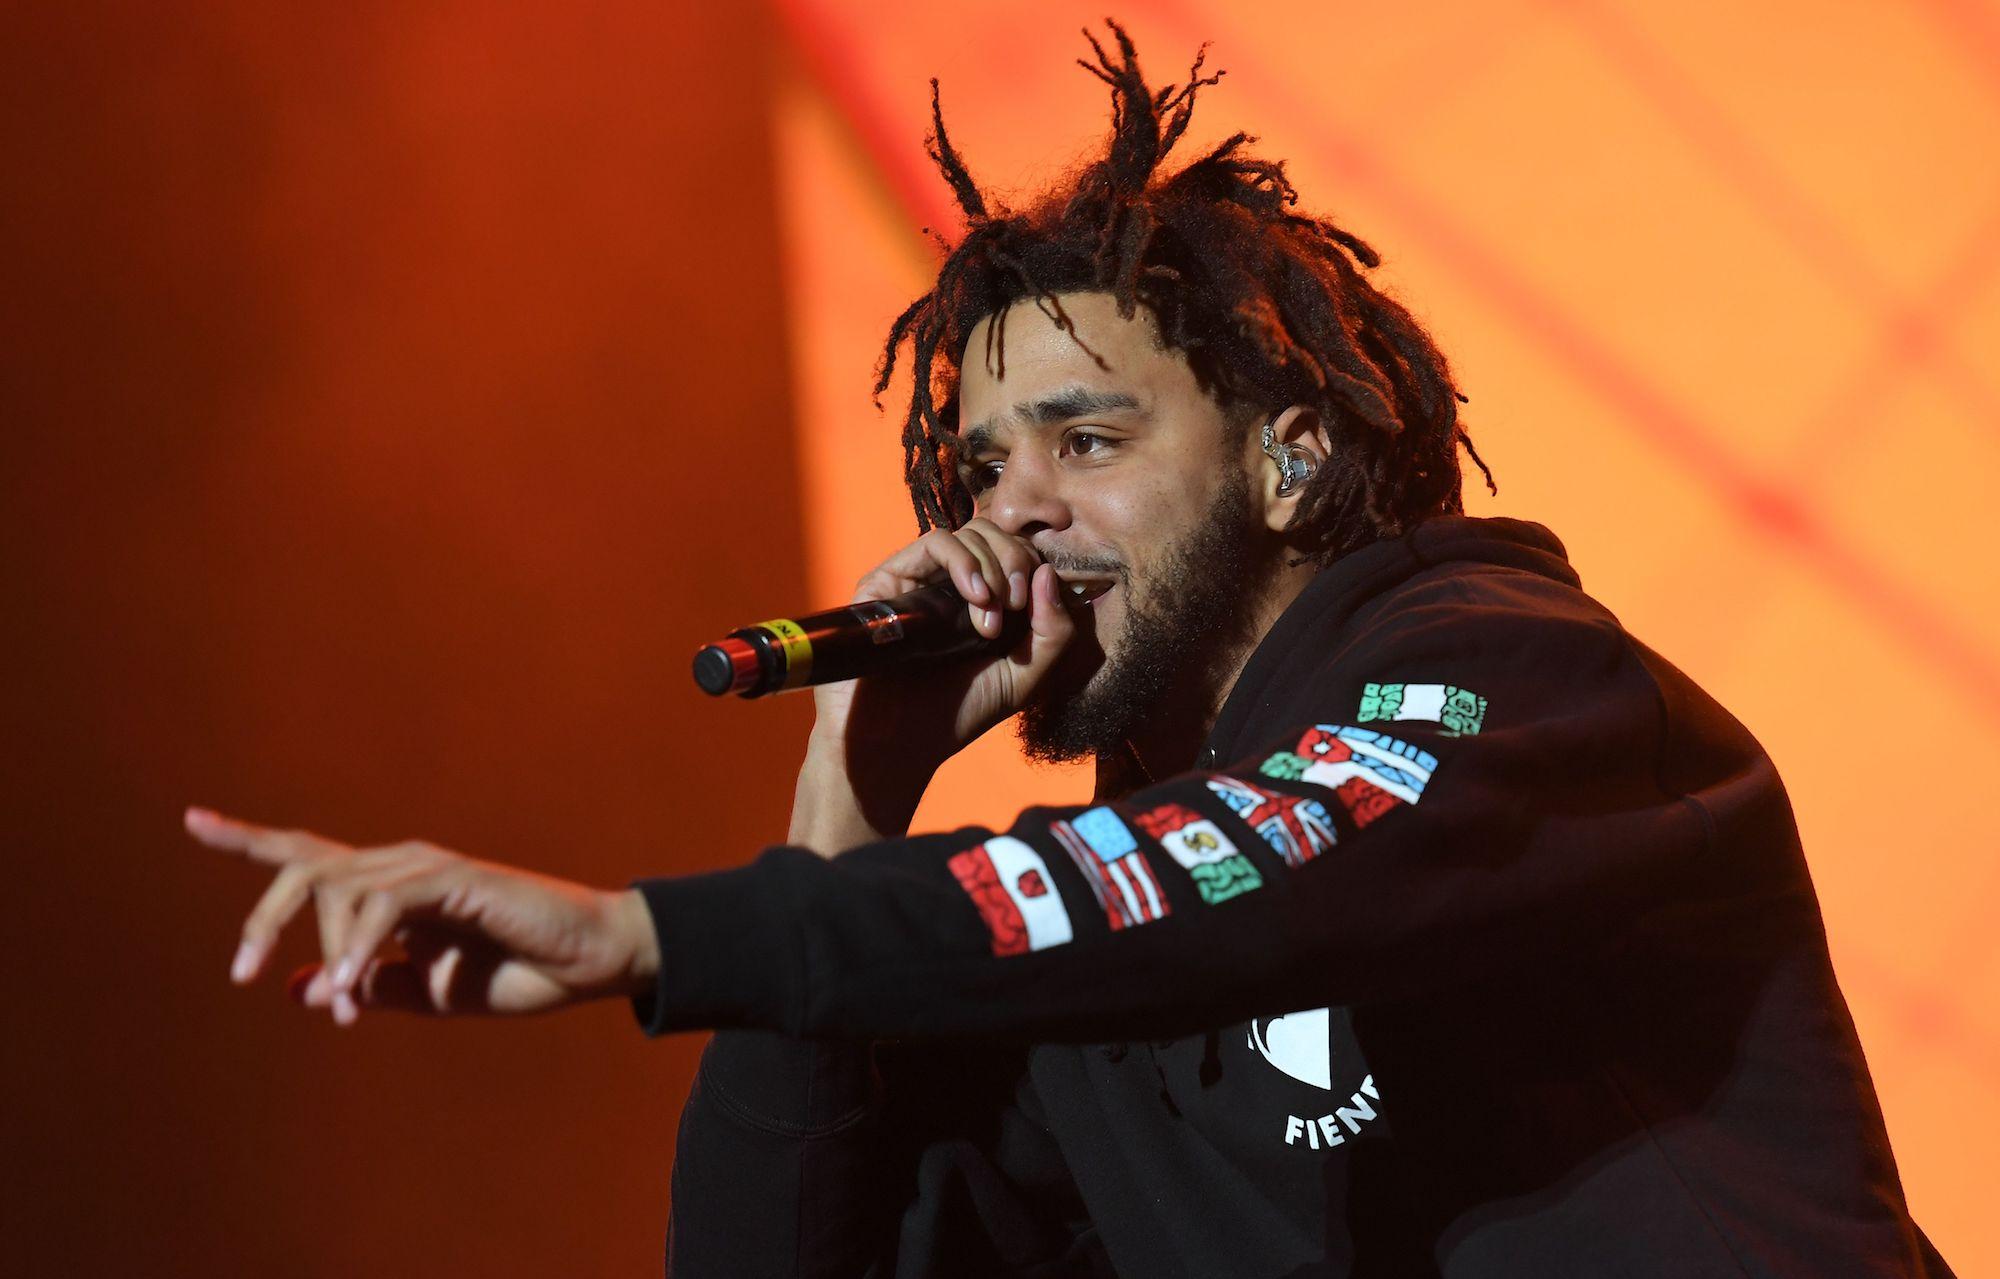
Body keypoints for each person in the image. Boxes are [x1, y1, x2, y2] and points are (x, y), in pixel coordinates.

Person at [186, 23, 1953, 1279]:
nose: (1010, 512)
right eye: (980, 466)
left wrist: (645, 934)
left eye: (1088, 445)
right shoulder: (1082, 968)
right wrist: (844, 808)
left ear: (1291, 457)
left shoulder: (1515, 683)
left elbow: (1258, 855)